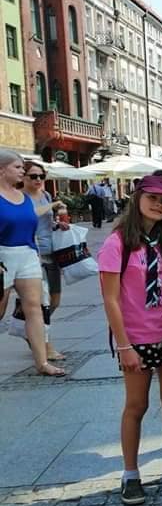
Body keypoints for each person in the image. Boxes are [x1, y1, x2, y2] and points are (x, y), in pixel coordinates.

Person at [97, 176, 162, 505]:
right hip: (137, 339)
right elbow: (110, 299)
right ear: (138, 198)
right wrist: (124, 345)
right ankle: (130, 473)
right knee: (136, 405)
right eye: (152, 198)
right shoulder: (116, 243)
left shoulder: (158, 241)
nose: (158, 204)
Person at [0, 150, 64, 376]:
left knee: (34, 308)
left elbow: (31, 227)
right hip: (3, 255)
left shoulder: (24, 198)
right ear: (2, 170)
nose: (22, 171)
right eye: (17, 167)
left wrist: (35, 252)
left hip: (27, 254)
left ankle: (42, 362)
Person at [21, 161, 67, 362]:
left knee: (55, 300)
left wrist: (58, 225)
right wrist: (53, 205)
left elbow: (46, 222)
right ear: (23, 177)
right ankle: (46, 347)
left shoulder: (45, 195)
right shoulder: (20, 198)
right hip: (34, 254)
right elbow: (29, 216)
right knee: (43, 304)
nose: (38, 179)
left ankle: (31, 329)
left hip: (52, 252)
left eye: (41, 176)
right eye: (33, 176)